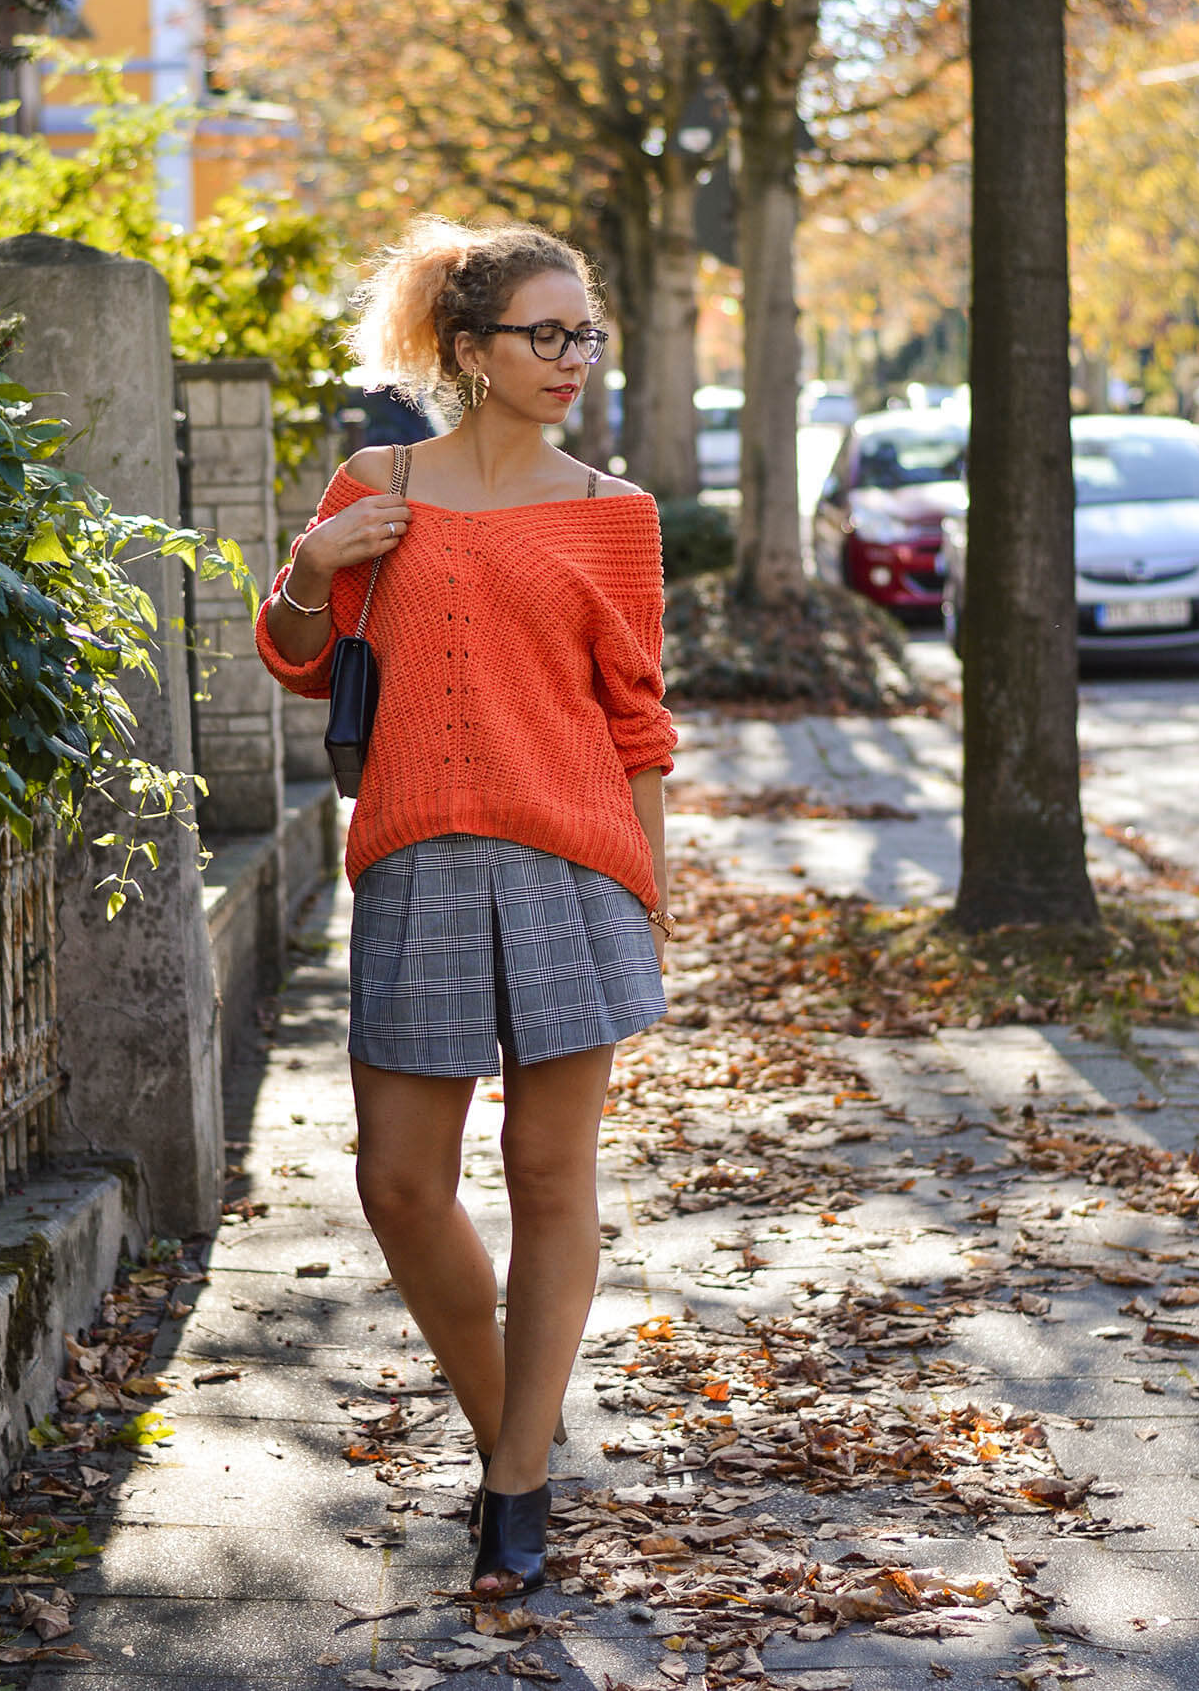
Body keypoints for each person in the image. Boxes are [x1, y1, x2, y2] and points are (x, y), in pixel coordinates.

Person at [254, 215, 678, 1597]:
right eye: (544, 335)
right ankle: (524, 1427)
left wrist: (652, 886)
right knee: (398, 1182)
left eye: (586, 335)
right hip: (419, 858)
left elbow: (638, 723)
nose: (572, 359)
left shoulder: (617, 514)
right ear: (468, 347)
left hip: (574, 865)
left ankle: (513, 1487)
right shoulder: (378, 481)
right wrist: (314, 569)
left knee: (552, 1180)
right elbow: (301, 659)